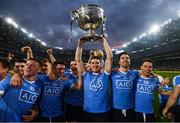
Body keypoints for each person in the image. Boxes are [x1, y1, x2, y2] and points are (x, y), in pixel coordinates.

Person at [75, 35, 113, 122]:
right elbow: (78, 60)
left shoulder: (105, 75)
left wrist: (104, 41)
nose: (95, 65)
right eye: (92, 63)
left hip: (103, 112)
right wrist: (80, 45)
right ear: (89, 64)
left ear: (100, 64)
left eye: (97, 63)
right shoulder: (85, 75)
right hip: (87, 112)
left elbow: (109, 58)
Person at [110, 52, 139, 122]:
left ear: (130, 61)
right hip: (115, 108)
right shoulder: (112, 73)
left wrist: (158, 76)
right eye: (122, 58)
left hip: (131, 108)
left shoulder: (135, 73)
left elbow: (146, 71)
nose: (125, 59)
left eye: (127, 58)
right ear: (119, 62)